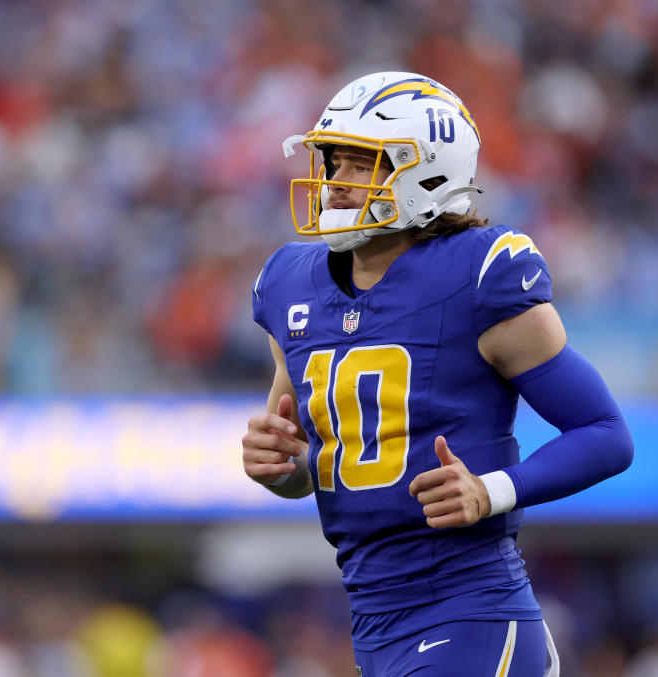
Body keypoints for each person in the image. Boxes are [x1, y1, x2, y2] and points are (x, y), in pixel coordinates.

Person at [241, 71, 634, 676]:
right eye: (331, 161)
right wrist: (279, 465)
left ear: (426, 171)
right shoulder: (290, 283)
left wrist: (490, 490)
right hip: (371, 617)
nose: (334, 182)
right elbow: (315, 465)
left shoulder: (480, 276)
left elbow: (606, 433)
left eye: (359, 164)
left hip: (469, 607)